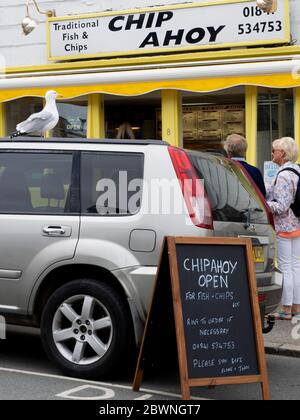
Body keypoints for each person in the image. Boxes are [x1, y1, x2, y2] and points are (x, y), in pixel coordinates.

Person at [267, 137, 300, 320]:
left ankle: (286, 310)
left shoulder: (283, 175)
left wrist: (264, 203)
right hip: (297, 225)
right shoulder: (297, 171)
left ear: (283, 154)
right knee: (295, 266)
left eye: (274, 150)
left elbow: (281, 206)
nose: (272, 153)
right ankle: (296, 307)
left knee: (286, 268)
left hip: (285, 227)